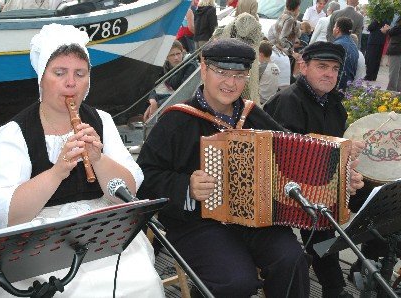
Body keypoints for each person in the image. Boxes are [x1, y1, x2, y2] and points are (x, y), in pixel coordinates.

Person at [0, 23, 164, 297]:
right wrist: (58, 171)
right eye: (60, 73)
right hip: (36, 237)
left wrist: (98, 159)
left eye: (80, 73)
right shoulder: (12, 134)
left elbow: (128, 193)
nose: (71, 83)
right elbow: (9, 216)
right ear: (41, 78)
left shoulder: (102, 121)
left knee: (143, 284)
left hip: (98, 229)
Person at [137, 38, 310, 298]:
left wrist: (339, 174)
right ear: (204, 69)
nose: (231, 83)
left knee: (293, 260)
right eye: (222, 72)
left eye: (239, 75)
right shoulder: (176, 119)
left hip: (255, 220)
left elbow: (294, 157)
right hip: (196, 223)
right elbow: (143, 178)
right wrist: (187, 187)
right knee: (236, 281)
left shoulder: (253, 115)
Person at [264, 41, 365, 298]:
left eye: (334, 68)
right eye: (322, 66)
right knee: (322, 221)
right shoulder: (288, 101)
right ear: (303, 66)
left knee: (372, 210)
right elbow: (285, 158)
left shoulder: (334, 103)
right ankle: (332, 285)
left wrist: (348, 158)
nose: (329, 74)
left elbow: (334, 148)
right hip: (280, 188)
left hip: (322, 182)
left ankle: (355, 263)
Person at [143, 40, 199, 122]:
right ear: (166, 57)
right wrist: (153, 101)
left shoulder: (190, 66)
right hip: (173, 95)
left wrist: (158, 104)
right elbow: (152, 85)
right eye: (172, 55)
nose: (176, 58)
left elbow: (183, 94)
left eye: (178, 54)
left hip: (187, 101)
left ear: (182, 52)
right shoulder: (166, 66)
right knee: (148, 102)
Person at [333, 17, 359, 90]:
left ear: (337, 29)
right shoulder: (353, 44)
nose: (333, 29)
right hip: (348, 84)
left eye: (334, 26)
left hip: (339, 87)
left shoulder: (338, 45)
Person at [382, 17, 401, 92]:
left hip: (396, 50)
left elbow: (392, 32)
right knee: (398, 73)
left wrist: (386, 30)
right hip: (397, 50)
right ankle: (398, 92)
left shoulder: (398, 26)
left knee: (394, 72)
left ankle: (390, 92)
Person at [259, 40, 280, 105]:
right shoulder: (277, 67)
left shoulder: (261, 67)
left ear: (261, 54)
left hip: (261, 100)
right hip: (271, 100)